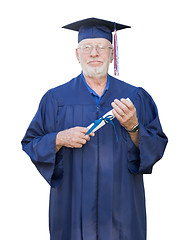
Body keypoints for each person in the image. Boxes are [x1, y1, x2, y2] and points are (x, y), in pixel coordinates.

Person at [21, 18, 168, 240]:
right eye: (87, 47)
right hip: (72, 209)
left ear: (112, 52)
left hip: (123, 211)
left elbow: (157, 147)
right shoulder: (55, 99)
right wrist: (59, 138)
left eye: (101, 47)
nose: (94, 53)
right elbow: (31, 143)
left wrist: (133, 127)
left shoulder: (135, 97)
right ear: (77, 54)